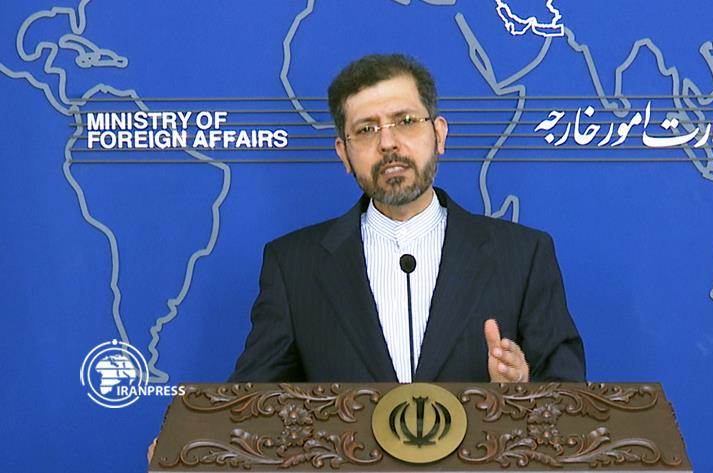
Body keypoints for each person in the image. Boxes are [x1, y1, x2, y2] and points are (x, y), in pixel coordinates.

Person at [228, 53, 584, 384]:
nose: (388, 143)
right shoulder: (293, 267)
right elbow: (249, 409)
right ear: (344, 154)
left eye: (406, 121)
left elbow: (571, 402)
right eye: (366, 129)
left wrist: (521, 393)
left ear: (439, 135)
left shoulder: (523, 256)